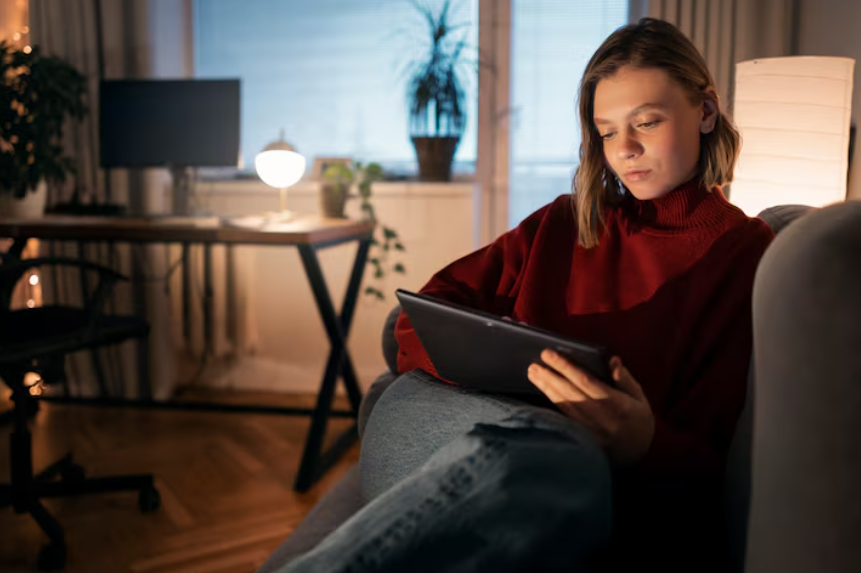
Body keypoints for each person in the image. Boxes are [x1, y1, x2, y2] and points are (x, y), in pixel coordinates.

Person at [278, 17, 774, 573]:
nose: (626, 149)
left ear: (705, 111)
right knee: (456, 417)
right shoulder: (563, 222)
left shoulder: (748, 255)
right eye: (607, 132)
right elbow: (418, 317)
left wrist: (643, 441)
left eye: (646, 122)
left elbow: (714, 462)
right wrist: (492, 369)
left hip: (567, 477)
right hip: (439, 418)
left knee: (564, 459)